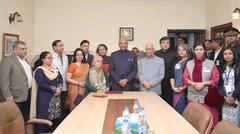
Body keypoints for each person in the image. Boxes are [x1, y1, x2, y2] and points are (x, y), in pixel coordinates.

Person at [183, 42, 220, 127]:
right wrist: (193, 83)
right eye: (196, 49)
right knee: (194, 120)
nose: (199, 51)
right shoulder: (189, 63)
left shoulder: (210, 63)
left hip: (206, 97)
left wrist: (204, 83)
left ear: (204, 50)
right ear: (194, 50)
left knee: (207, 122)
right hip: (192, 96)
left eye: (201, 49)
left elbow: (216, 79)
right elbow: (185, 77)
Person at [0, 41, 32, 122]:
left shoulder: (25, 60)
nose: (25, 51)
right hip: (14, 97)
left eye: (26, 49)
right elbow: (4, 80)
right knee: (14, 121)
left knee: (24, 119)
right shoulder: (7, 60)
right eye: (22, 49)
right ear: (14, 50)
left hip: (26, 95)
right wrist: (7, 96)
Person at [32, 51, 63, 133]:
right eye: (49, 58)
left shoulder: (55, 69)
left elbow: (60, 79)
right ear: (43, 59)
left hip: (56, 97)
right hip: (45, 98)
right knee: (44, 117)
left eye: (51, 58)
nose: (51, 59)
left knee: (56, 118)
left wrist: (59, 88)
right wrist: (54, 89)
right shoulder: (39, 70)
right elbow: (41, 83)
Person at [218, 47, 240, 127]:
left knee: (236, 122)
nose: (227, 56)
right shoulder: (221, 67)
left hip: (236, 98)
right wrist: (223, 96)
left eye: (230, 53)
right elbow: (219, 84)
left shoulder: (238, 66)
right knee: (226, 121)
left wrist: (233, 96)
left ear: (234, 54)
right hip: (225, 99)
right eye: (225, 54)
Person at [155, 36, 177, 106]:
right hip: (157, 82)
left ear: (170, 44)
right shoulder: (155, 53)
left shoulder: (174, 54)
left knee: (168, 103)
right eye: (163, 42)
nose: (165, 44)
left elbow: (175, 69)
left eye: (167, 43)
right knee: (157, 102)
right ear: (160, 44)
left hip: (169, 82)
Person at [170, 44, 190, 114]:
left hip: (184, 91)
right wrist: (173, 87)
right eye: (179, 50)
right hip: (175, 90)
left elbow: (190, 78)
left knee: (183, 111)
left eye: (183, 50)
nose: (181, 52)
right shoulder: (176, 62)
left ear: (187, 51)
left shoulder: (189, 62)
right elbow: (172, 76)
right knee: (175, 110)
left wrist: (183, 88)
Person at [51, 40, 69, 119]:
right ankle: (56, 124)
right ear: (54, 47)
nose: (62, 47)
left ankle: (62, 122)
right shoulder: (51, 57)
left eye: (62, 45)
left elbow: (66, 71)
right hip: (55, 86)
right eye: (60, 45)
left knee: (63, 105)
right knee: (55, 105)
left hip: (64, 85)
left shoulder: (65, 57)